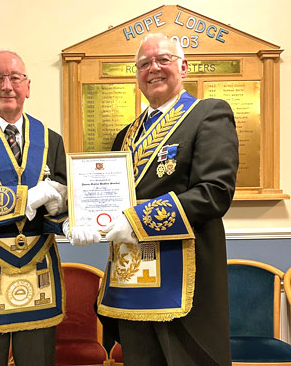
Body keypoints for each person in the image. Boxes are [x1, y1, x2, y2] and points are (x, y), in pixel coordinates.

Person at [0, 49, 93, 366]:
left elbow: (58, 200)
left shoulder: (51, 139)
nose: (7, 85)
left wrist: (67, 221)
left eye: (15, 77)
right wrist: (24, 199)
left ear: (27, 86)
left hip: (36, 271)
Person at [96, 33, 239, 366]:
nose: (153, 69)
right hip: (131, 281)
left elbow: (214, 193)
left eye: (163, 60)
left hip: (183, 280)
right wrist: (82, 211)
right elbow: (111, 197)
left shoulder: (208, 114)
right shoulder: (126, 135)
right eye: (144, 63)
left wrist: (135, 220)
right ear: (137, 75)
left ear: (184, 67)